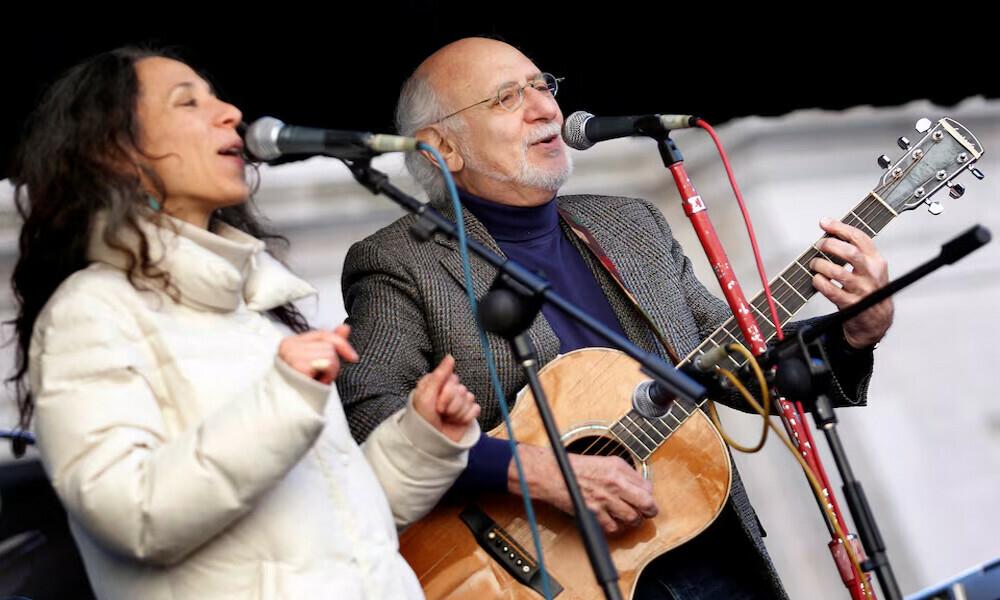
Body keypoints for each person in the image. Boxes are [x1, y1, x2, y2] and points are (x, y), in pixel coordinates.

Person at [337, 37, 893, 599]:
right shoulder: (399, 261)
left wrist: (853, 333)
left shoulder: (630, 225)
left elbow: (745, 364)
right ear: (441, 149)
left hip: (706, 553)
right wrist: (535, 470)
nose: (545, 108)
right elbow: (369, 413)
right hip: (532, 576)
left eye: (542, 85)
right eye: (507, 98)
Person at [7, 46, 481, 600]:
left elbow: (345, 530)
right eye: (188, 103)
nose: (231, 111)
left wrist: (421, 441)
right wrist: (283, 398)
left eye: (217, 97)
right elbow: (132, 516)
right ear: (116, 154)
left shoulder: (257, 311)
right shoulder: (89, 312)